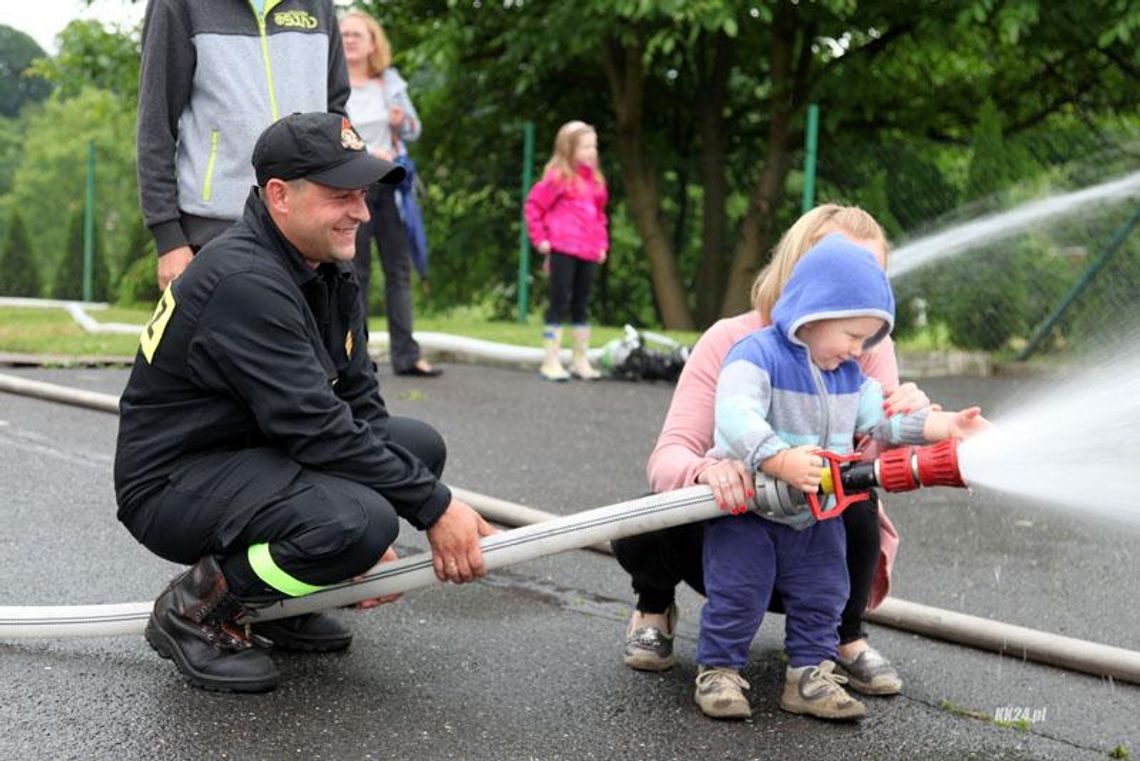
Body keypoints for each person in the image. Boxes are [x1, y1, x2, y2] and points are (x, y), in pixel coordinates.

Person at [114, 113, 495, 694]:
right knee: (356, 523)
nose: (362, 214)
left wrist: (407, 501)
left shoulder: (322, 268)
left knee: (416, 448)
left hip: (252, 448)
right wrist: (433, 510)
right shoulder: (245, 281)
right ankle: (198, 610)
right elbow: (317, 428)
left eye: (362, 195)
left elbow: (360, 404)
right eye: (341, 196)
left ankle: (282, 600)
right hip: (175, 483)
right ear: (279, 196)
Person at [614, 205, 928, 694]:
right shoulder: (733, 341)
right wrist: (705, 472)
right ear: (800, 269)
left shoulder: (865, 345)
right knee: (652, 508)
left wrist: (914, 420)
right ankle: (653, 606)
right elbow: (669, 455)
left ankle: (842, 639)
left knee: (858, 498)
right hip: (728, 540)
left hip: (816, 548)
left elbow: (873, 464)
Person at [693, 234, 987, 721]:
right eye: (853, 336)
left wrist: (947, 426)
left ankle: (809, 677)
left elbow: (887, 422)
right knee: (738, 591)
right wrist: (778, 458)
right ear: (814, 313)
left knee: (825, 592)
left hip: (815, 514)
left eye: (869, 340)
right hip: (749, 512)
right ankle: (719, 672)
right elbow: (735, 415)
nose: (859, 350)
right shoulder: (756, 355)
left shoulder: (847, 376)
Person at [136, 0, 350, 291]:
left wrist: (340, 201)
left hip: (308, 222)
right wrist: (168, 238)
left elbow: (336, 114)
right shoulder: (178, 4)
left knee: (304, 337)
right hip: (215, 229)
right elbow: (155, 124)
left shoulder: (318, 4)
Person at [341, 10, 439, 377]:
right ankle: (355, 356)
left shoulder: (390, 83)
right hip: (353, 187)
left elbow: (414, 128)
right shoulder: (331, 81)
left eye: (357, 34)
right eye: (345, 34)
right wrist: (364, 152)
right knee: (355, 272)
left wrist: (402, 122)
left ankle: (407, 355)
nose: (349, 39)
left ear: (372, 43)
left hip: (392, 185)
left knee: (399, 271)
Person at [525, 121, 609, 382]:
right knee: (559, 301)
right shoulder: (557, 179)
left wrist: (602, 244)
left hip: (587, 252)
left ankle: (579, 359)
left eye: (593, 146)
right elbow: (533, 206)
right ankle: (551, 359)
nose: (591, 151)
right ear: (568, 149)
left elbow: (599, 217)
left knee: (581, 304)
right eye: (585, 146)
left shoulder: (595, 183)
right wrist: (540, 239)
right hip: (562, 248)